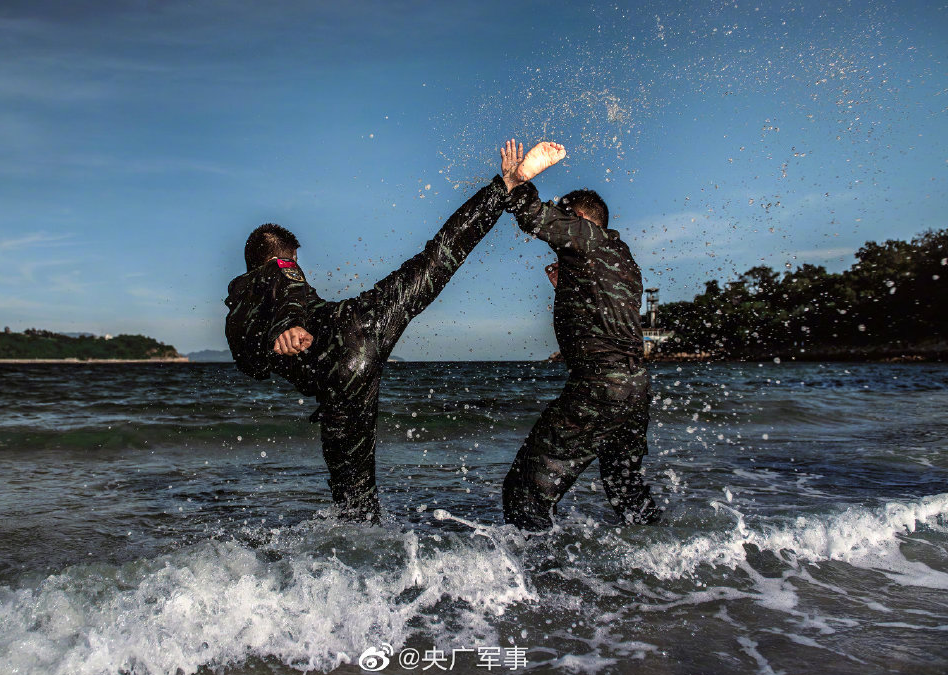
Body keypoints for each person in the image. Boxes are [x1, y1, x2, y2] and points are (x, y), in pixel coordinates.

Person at [225, 153, 515, 523]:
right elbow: (291, 289)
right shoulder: (278, 268)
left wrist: (279, 336)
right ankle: (502, 188)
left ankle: (363, 571)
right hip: (357, 327)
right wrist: (287, 327)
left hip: (338, 384)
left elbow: (254, 365)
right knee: (436, 260)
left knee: (355, 505)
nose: (296, 268)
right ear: (279, 258)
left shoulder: (236, 312)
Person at [499, 140, 661, 530]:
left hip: (599, 384)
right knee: (625, 487)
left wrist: (517, 181)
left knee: (524, 492)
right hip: (635, 387)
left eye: (567, 215)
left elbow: (535, 217)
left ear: (582, 219)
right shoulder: (623, 258)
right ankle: (666, 567)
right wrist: (569, 286)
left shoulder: (587, 237)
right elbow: (608, 316)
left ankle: (538, 584)